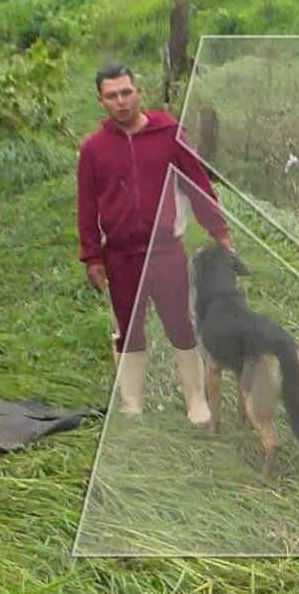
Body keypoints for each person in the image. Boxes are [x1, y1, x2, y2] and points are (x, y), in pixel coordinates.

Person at [77, 63, 235, 421]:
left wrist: (219, 230)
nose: (121, 102)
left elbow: (197, 186)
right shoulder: (93, 149)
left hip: (165, 251)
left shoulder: (169, 134)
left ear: (139, 92)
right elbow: (86, 206)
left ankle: (195, 400)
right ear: (101, 101)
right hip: (120, 255)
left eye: (126, 92)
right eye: (111, 96)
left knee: (180, 323)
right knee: (128, 328)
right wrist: (92, 257)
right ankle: (132, 403)